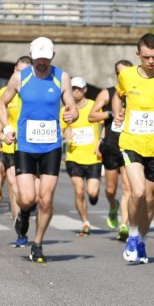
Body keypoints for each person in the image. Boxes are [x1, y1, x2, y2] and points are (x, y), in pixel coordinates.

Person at [0, 37, 77, 263]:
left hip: (51, 145)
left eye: (46, 59)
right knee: (27, 198)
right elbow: (1, 103)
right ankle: (23, 213)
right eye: (38, 60)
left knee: (46, 199)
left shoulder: (61, 77)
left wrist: (73, 114)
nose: (42, 64)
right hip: (25, 145)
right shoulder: (20, 77)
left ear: (52, 56)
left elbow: (71, 105)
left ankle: (38, 243)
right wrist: (6, 127)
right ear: (32, 56)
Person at [112, 34, 154, 264]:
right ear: (138, 55)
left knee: (149, 200)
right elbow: (117, 95)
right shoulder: (126, 75)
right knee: (137, 192)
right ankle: (132, 235)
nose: (151, 61)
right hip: (131, 143)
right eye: (146, 57)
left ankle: (142, 239)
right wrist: (117, 112)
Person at [88, 59, 133, 242]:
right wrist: (110, 114)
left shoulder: (136, 93)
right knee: (111, 189)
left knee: (128, 187)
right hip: (111, 146)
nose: (124, 76)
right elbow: (91, 116)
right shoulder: (107, 93)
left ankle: (124, 224)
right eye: (121, 73)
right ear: (116, 75)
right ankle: (113, 206)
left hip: (130, 145)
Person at [0, 55, 32, 244]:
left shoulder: (34, 90)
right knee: (14, 187)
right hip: (10, 145)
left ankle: (24, 213)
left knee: (29, 193)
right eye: (19, 70)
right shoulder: (5, 91)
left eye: (26, 71)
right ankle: (20, 231)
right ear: (14, 70)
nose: (22, 75)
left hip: (30, 146)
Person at [61, 76, 103, 235]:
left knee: (92, 192)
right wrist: (66, 133)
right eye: (73, 89)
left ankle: (93, 196)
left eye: (79, 88)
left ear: (85, 90)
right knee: (79, 190)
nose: (76, 91)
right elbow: (60, 129)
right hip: (73, 157)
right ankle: (85, 222)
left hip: (93, 157)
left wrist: (101, 141)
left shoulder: (93, 106)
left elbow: (105, 124)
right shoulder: (65, 110)